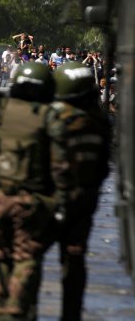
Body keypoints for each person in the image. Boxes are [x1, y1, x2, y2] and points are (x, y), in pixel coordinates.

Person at [0, 62, 57, 320]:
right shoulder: (48, 116)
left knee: (2, 258)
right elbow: (60, 165)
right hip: (28, 201)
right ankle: (14, 310)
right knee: (26, 258)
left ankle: (3, 309)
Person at [49, 62, 110, 321]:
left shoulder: (52, 117)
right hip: (84, 200)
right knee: (74, 259)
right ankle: (71, 314)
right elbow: (103, 167)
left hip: (50, 199)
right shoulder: (100, 121)